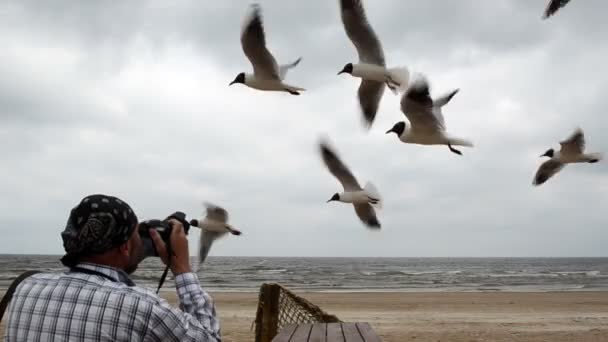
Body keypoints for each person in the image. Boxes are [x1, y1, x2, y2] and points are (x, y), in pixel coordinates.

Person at [3, 194, 221, 341]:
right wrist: (182, 268)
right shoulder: (141, 306)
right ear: (125, 246)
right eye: (137, 234)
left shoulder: (26, 286)